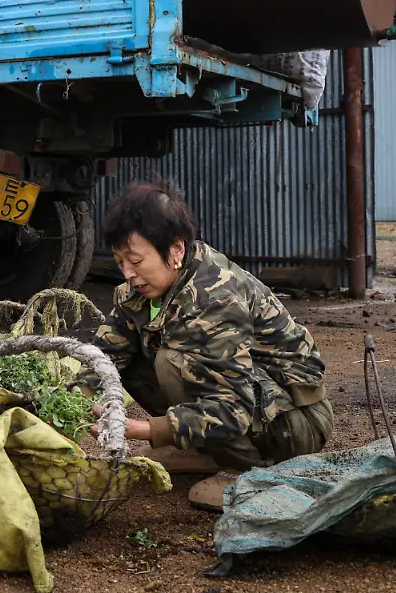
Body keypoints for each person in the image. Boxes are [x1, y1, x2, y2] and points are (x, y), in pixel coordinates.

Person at [76, 180, 331, 512]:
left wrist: (145, 429)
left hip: (294, 424)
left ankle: (251, 470)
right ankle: (203, 450)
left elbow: (234, 409)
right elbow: (105, 356)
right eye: (120, 262)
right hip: (258, 403)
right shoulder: (139, 294)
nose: (128, 274)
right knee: (134, 354)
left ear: (176, 250)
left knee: (172, 361)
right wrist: (66, 405)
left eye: (136, 261)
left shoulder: (214, 299)